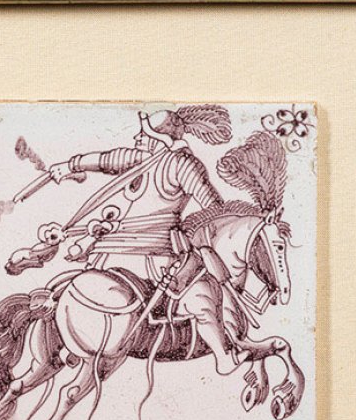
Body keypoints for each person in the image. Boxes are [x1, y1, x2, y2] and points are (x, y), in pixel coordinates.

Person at [43, 105, 229, 300]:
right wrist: (70, 166)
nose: (137, 138)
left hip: (112, 255)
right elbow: (213, 208)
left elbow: (104, 160)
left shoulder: (175, 162)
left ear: (159, 138)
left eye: (144, 134)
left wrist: (70, 166)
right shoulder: (166, 161)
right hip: (154, 258)